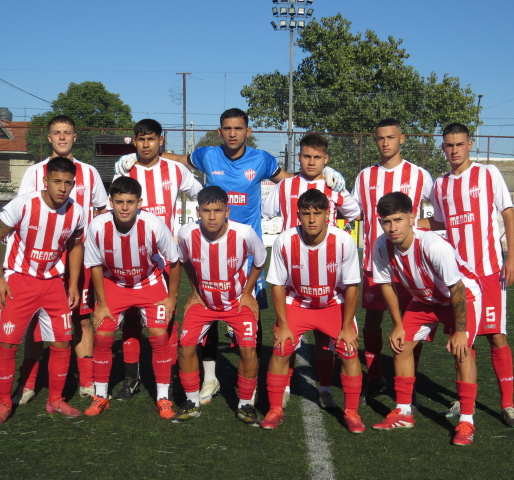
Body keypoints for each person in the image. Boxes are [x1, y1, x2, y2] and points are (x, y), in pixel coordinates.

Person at [115, 108, 346, 405]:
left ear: (248, 131)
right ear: (220, 131)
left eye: (238, 128)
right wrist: (138, 158)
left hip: (247, 252)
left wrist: (323, 176)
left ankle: (253, 379)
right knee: (209, 313)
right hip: (210, 248)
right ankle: (210, 379)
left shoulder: (263, 159)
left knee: (252, 314)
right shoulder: (207, 155)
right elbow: (181, 159)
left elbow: (291, 180)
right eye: (227, 128)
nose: (233, 133)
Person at [419, 123, 514, 428]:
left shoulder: (488, 173)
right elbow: (440, 221)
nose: (454, 150)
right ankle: (464, 401)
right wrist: (413, 222)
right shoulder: (440, 184)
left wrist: (512, 257)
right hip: (459, 276)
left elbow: (507, 212)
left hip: (489, 271)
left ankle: (508, 405)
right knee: (463, 339)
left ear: (470, 144)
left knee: (497, 336)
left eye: (459, 144)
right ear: (443, 147)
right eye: (449, 145)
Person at [371, 192, 482, 446]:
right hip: (424, 299)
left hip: (461, 297)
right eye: (386, 221)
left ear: (412, 218)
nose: (392, 227)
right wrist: (397, 325)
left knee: (462, 351)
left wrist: (459, 331)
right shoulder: (381, 245)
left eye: (398, 219)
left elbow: (457, 289)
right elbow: (386, 285)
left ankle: (466, 420)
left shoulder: (433, 245)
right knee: (401, 345)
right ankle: (404, 412)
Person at [261, 133, 361, 409]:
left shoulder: (333, 186)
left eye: (318, 157)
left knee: (324, 342)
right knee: (287, 340)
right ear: (299, 157)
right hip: (293, 269)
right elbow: (265, 212)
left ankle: (325, 389)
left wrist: (341, 190)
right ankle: (285, 386)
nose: (312, 162)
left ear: (326, 159)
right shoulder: (285, 186)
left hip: (328, 271)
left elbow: (356, 213)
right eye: (307, 156)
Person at [15, 115, 109, 404]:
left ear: (75, 137)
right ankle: (28, 384)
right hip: (43, 263)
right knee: (35, 323)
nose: (62, 137)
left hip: (81, 257)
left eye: (67, 132)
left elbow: (103, 210)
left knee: (82, 318)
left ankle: (87, 381)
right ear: (49, 138)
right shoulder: (34, 172)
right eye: (57, 133)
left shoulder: (89, 173)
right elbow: (23, 210)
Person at [0, 157, 87, 425]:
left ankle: (55, 401)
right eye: (57, 181)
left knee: (62, 342)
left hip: (54, 284)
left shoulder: (77, 212)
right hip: (19, 282)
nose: (62, 188)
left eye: (68, 183)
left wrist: (73, 284)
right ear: (45, 181)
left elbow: (76, 246)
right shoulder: (23, 204)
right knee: (8, 344)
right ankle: (4, 403)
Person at [110, 119, 202, 401]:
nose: (146, 144)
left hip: (164, 260)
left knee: (167, 318)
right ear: (134, 142)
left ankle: (169, 377)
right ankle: (131, 377)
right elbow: (113, 208)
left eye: (151, 138)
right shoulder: (125, 171)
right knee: (131, 320)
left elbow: (201, 194)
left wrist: (191, 230)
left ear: (161, 141)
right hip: (130, 259)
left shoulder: (175, 170)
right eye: (140, 139)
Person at [82, 176, 182, 419]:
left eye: (130, 202)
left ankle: (163, 398)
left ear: (140, 202)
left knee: (159, 338)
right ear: (111, 202)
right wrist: (102, 304)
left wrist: (172, 298)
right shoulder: (97, 226)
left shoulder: (154, 224)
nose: (125, 207)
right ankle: (101, 396)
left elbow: (174, 260)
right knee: (102, 338)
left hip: (149, 282)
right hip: (114, 283)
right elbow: (95, 265)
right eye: (119, 202)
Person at [351, 118, 434, 406]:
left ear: (402, 139)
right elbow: (355, 213)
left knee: (412, 327)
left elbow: (439, 214)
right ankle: (375, 378)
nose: (385, 143)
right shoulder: (364, 176)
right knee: (372, 322)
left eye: (391, 137)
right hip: (375, 263)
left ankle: (408, 384)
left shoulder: (420, 175)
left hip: (411, 265)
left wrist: (414, 227)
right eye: (380, 138)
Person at [171, 186, 266, 426]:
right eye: (206, 211)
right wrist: (195, 290)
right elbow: (184, 261)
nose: (212, 216)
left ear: (227, 211)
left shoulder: (244, 233)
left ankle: (245, 404)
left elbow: (260, 260)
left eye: (217, 210)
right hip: (204, 303)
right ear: (198, 211)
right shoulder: (186, 233)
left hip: (236, 302)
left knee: (248, 350)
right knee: (185, 347)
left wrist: (247, 292)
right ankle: (192, 402)